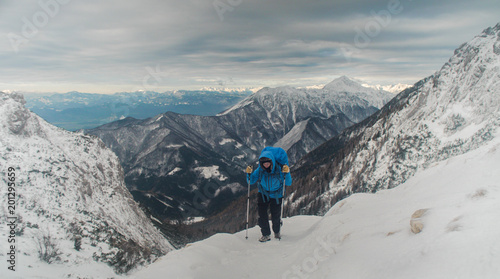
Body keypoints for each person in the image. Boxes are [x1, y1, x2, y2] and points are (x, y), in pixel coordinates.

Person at [246, 149, 292, 242]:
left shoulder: (279, 169)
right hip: (263, 193)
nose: (266, 165)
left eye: (267, 162)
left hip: (277, 194)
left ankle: (277, 231)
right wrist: (248, 174)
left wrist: (286, 173)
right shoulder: (260, 170)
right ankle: (266, 234)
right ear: (261, 163)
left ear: (272, 162)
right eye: (263, 163)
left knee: (275, 215)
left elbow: (288, 182)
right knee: (262, 215)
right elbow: (250, 181)